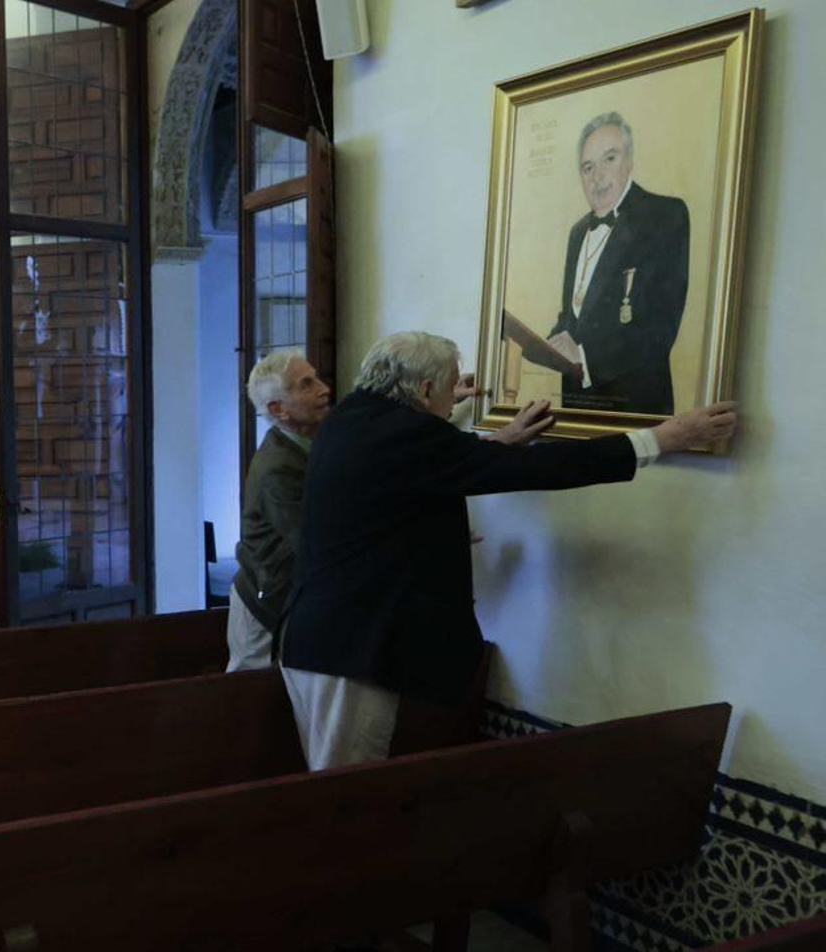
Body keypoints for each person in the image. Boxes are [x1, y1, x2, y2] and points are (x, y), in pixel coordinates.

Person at [278, 331, 737, 771]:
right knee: (347, 797)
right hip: (351, 651)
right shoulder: (401, 433)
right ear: (422, 389)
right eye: (450, 386)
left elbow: (421, 468)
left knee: (348, 791)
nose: (454, 396)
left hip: (328, 639)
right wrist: (660, 438)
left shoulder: (355, 416)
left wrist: (498, 441)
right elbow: (532, 468)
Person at [544, 112, 690, 416]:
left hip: (635, 411)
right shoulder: (577, 233)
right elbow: (573, 317)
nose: (597, 177)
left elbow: (659, 331)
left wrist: (584, 357)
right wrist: (548, 345)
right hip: (579, 408)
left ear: (630, 159)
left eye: (609, 159)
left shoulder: (665, 216)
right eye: (588, 167)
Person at [226, 348, 331, 672]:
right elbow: (315, 541)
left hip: (289, 595)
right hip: (265, 600)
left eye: (316, 378)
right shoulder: (279, 468)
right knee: (249, 701)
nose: (324, 388)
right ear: (278, 409)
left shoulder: (315, 440)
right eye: (306, 384)